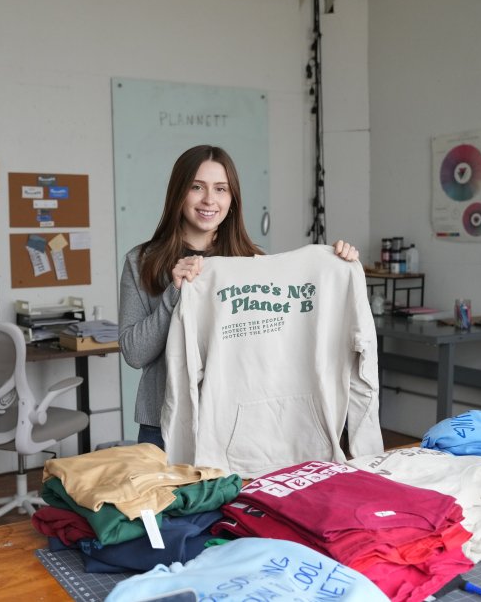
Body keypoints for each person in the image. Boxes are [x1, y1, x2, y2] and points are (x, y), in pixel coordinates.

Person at [118, 144, 359, 449]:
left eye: (221, 189)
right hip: (162, 427)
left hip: (238, 426)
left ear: (232, 200)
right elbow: (134, 353)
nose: (209, 200)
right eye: (196, 187)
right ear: (178, 193)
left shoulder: (252, 263)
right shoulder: (141, 261)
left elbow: (278, 339)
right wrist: (175, 292)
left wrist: (336, 267)